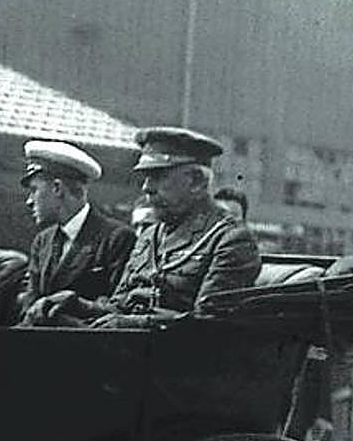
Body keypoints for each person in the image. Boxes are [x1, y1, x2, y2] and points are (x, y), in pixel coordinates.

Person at [25, 126, 260, 328]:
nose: (146, 188)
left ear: (196, 181)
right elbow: (119, 305)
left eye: (158, 176)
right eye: (145, 178)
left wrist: (133, 323)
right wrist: (78, 304)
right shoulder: (150, 235)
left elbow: (207, 325)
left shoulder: (230, 239)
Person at [16, 140, 135, 323]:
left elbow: (119, 307)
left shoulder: (117, 238)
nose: (29, 201)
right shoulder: (42, 241)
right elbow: (29, 301)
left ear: (57, 188)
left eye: (34, 190)